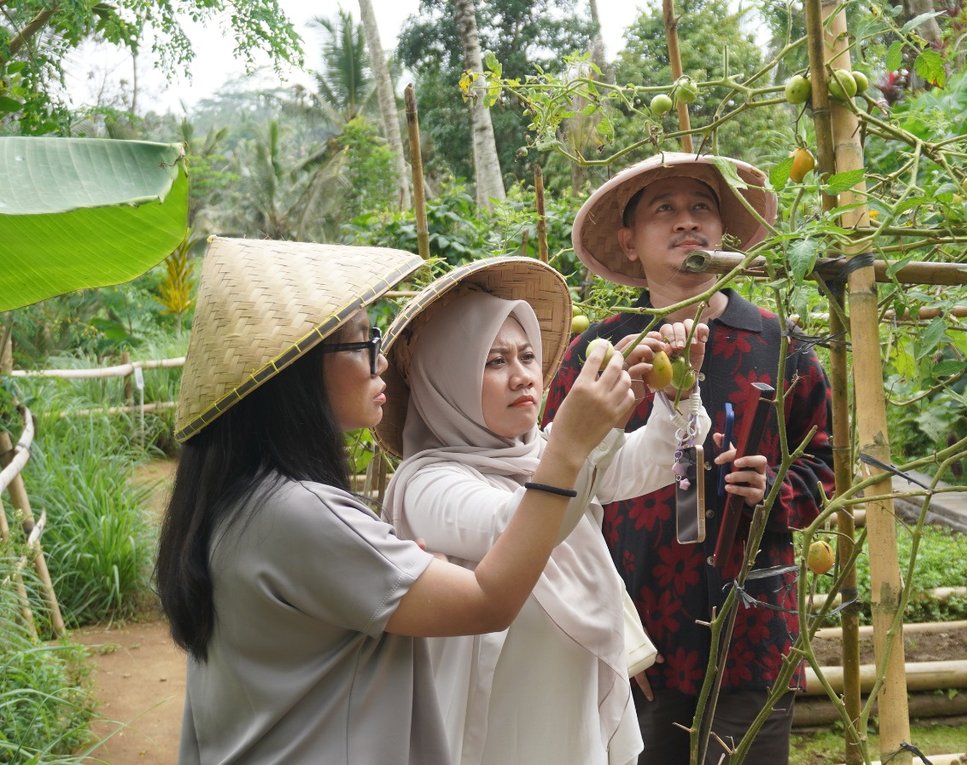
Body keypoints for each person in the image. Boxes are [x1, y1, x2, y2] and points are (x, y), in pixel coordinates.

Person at [155, 238, 637, 764]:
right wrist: (568, 449)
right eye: (364, 342)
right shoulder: (300, 512)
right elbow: (490, 600)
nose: (380, 362)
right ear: (298, 370)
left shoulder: (241, 503)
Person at [374, 256, 762, 764]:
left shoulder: (545, 453)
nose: (522, 377)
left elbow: (655, 462)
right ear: (446, 381)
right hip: (493, 723)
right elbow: (518, 522)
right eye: (494, 361)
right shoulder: (426, 484)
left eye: (527, 356)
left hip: (567, 716)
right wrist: (585, 437)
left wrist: (677, 394)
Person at [543, 152, 838, 765]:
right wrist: (613, 633)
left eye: (701, 208)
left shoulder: (779, 346)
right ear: (629, 241)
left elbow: (826, 466)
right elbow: (554, 485)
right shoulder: (600, 353)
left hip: (750, 630)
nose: (687, 222)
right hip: (637, 634)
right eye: (665, 210)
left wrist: (775, 489)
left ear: (724, 233)